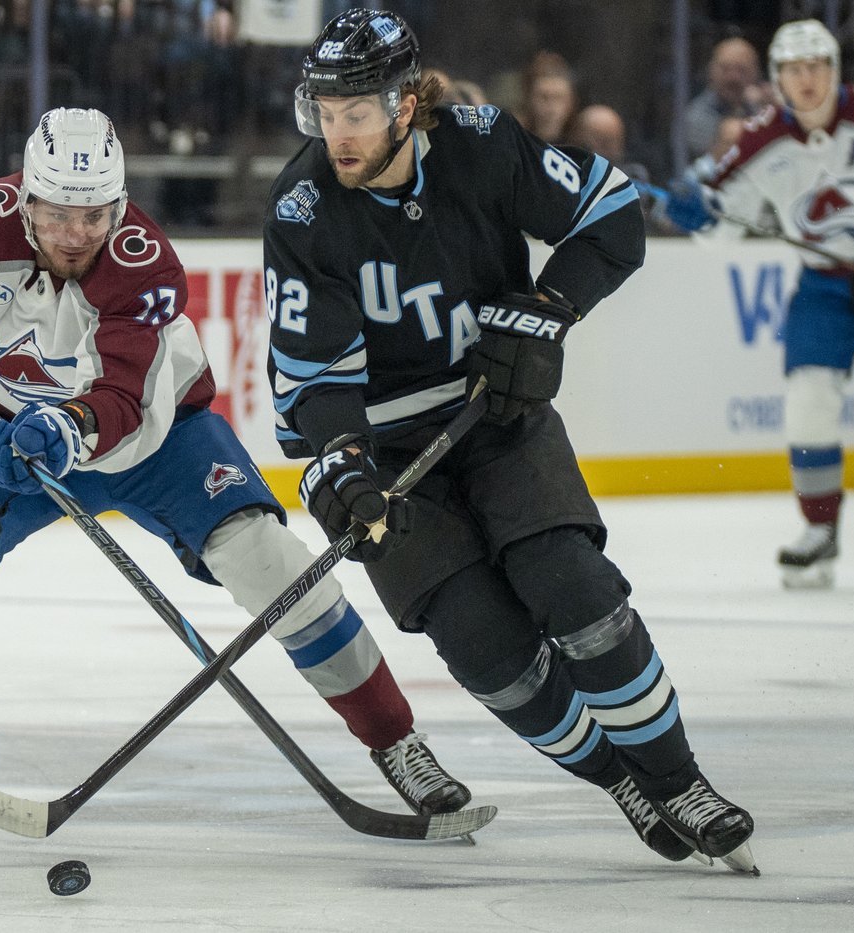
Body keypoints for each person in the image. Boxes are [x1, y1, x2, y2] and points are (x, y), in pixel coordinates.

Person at [0, 106, 474, 835]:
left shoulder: (144, 265)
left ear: (119, 203)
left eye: (95, 214)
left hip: (158, 439)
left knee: (272, 563)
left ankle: (397, 740)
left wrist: (63, 427)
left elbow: (125, 404)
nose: (76, 233)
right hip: (4, 429)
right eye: (57, 213)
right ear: (26, 197)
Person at [265, 8, 757, 872]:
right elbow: (313, 384)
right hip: (384, 457)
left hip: (495, 414)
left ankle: (678, 777)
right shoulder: (305, 211)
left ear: (407, 104)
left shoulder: (485, 142)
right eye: (325, 114)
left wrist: (549, 309)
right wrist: (341, 469)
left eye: (358, 113)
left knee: (573, 587)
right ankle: (622, 781)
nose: (339, 136)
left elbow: (612, 213)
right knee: (489, 650)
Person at [665, 19, 854, 587]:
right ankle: (819, 530)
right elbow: (722, 221)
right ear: (778, 78)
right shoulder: (761, 138)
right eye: (794, 69)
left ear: (836, 71)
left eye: (817, 67)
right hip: (823, 285)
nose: (807, 80)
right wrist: (697, 217)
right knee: (808, 400)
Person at [681, 36, 773, 162]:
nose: (733, 77)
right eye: (725, 69)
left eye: (742, 70)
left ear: (756, 73)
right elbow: (722, 156)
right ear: (711, 71)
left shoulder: (762, 106)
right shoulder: (695, 116)